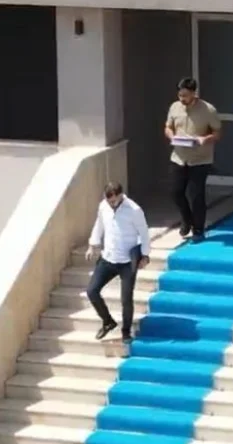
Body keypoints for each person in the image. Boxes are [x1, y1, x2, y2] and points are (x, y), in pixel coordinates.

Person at [84, 181, 150, 342]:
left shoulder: (134, 210)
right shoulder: (103, 206)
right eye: (109, 201)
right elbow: (99, 225)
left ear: (120, 195)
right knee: (92, 291)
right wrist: (92, 245)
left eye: (114, 201)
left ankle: (126, 331)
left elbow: (144, 232)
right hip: (108, 258)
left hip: (127, 262)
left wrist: (145, 255)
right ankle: (107, 321)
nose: (111, 204)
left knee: (126, 299)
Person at [164, 76, 221, 241]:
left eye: (185, 95)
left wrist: (205, 139)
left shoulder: (208, 110)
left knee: (196, 196)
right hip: (179, 157)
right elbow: (168, 127)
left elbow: (217, 133)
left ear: (194, 94)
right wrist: (171, 136)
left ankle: (198, 230)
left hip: (200, 159)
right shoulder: (175, 107)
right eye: (180, 95)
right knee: (176, 192)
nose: (182, 99)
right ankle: (187, 219)